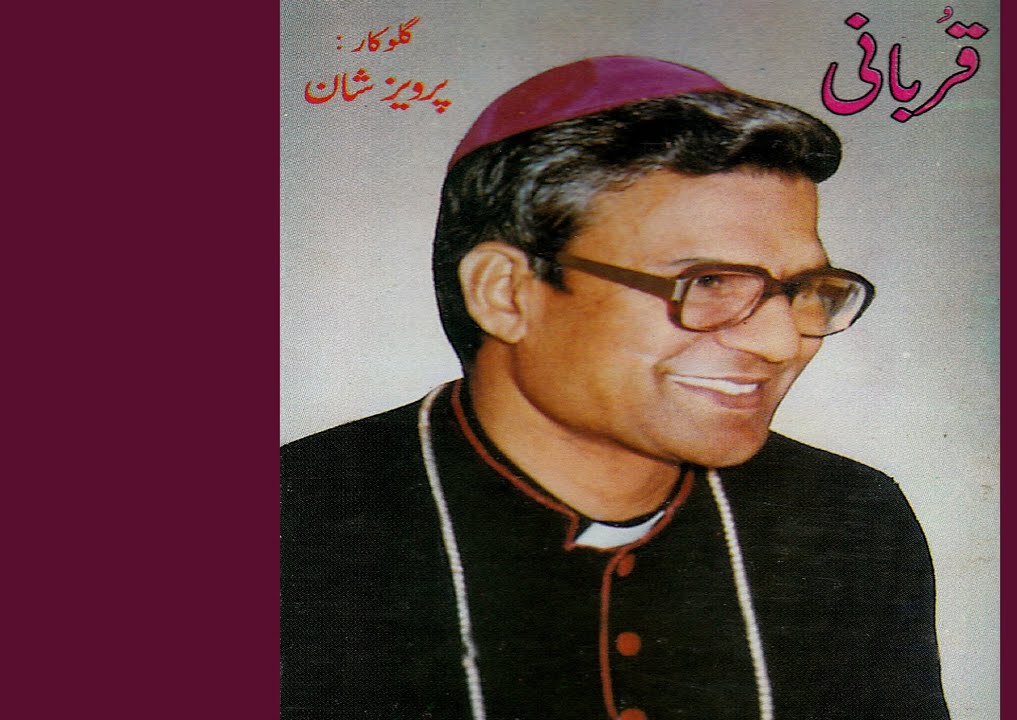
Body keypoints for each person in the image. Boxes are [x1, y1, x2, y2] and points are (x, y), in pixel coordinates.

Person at [281, 55, 950, 720]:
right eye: (710, 283)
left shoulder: (846, 519)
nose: (779, 344)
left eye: (803, 289)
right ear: (505, 293)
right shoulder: (295, 523)